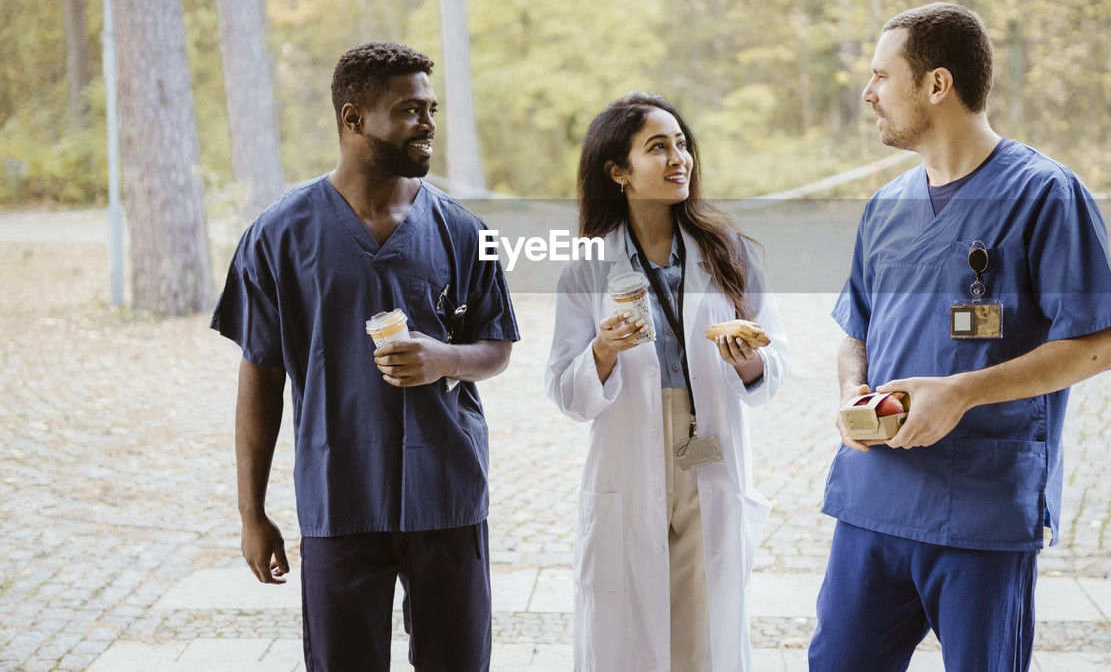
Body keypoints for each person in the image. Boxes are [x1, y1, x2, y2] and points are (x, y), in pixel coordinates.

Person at [808, 4, 1111, 671]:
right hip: (874, 500)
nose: (868, 93)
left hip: (981, 509)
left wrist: (959, 392)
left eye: (880, 75)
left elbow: (1100, 345)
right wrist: (851, 390)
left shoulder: (1045, 194)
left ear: (936, 85)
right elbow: (855, 331)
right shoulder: (885, 206)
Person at [212, 42, 519, 672]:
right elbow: (261, 375)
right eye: (410, 110)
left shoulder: (466, 232)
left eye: (431, 109)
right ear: (354, 119)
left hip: (448, 492)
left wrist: (444, 359)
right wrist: (252, 513)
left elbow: (496, 348)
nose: (429, 124)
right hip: (339, 496)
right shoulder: (278, 236)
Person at [545, 92, 788, 671]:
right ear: (619, 172)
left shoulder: (728, 255)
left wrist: (745, 358)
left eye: (682, 145)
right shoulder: (587, 267)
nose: (679, 158)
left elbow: (773, 368)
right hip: (631, 455)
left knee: (703, 637)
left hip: (709, 453)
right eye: (659, 147)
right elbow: (565, 391)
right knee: (627, 636)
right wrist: (603, 350)